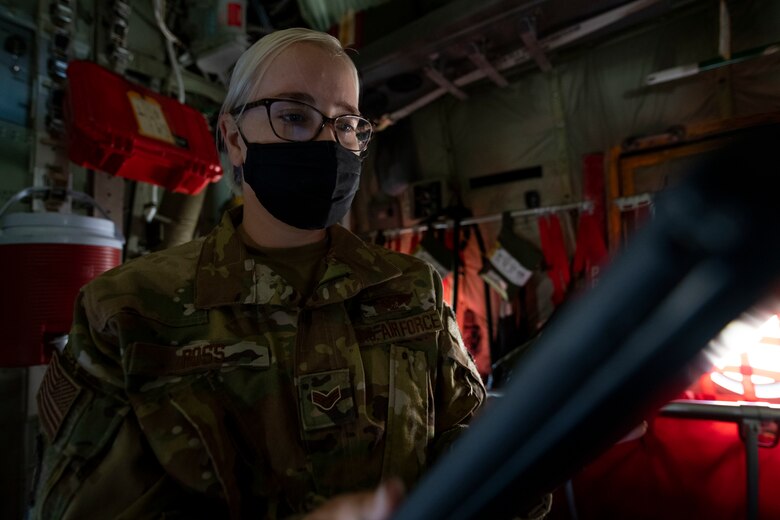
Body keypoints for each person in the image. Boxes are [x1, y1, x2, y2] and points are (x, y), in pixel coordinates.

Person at [30, 28, 488, 519]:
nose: (328, 142)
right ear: (234, 138)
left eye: (347, 124)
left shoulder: (411, 288)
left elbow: (480, 454)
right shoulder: (128, 311)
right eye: (295, 116)